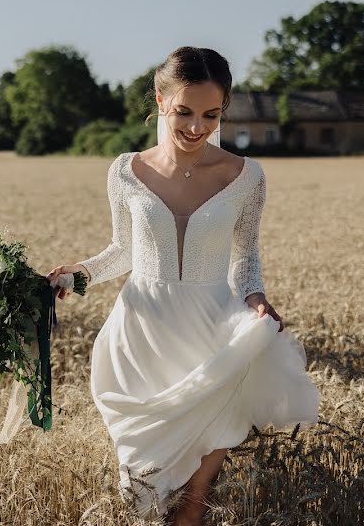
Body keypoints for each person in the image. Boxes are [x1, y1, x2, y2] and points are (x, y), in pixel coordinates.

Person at [47, 47, 319, 524]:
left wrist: (256, 299)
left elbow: (247, 258)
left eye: (211, 115)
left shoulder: (245, 176)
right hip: (141, 325)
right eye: (184, 112)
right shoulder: (125, 171)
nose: (197, 127)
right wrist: (78, 274)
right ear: (160, 100)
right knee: (141, 477)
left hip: (210, 319)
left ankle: (195, 503)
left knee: (220, 415)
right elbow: (124, 251)